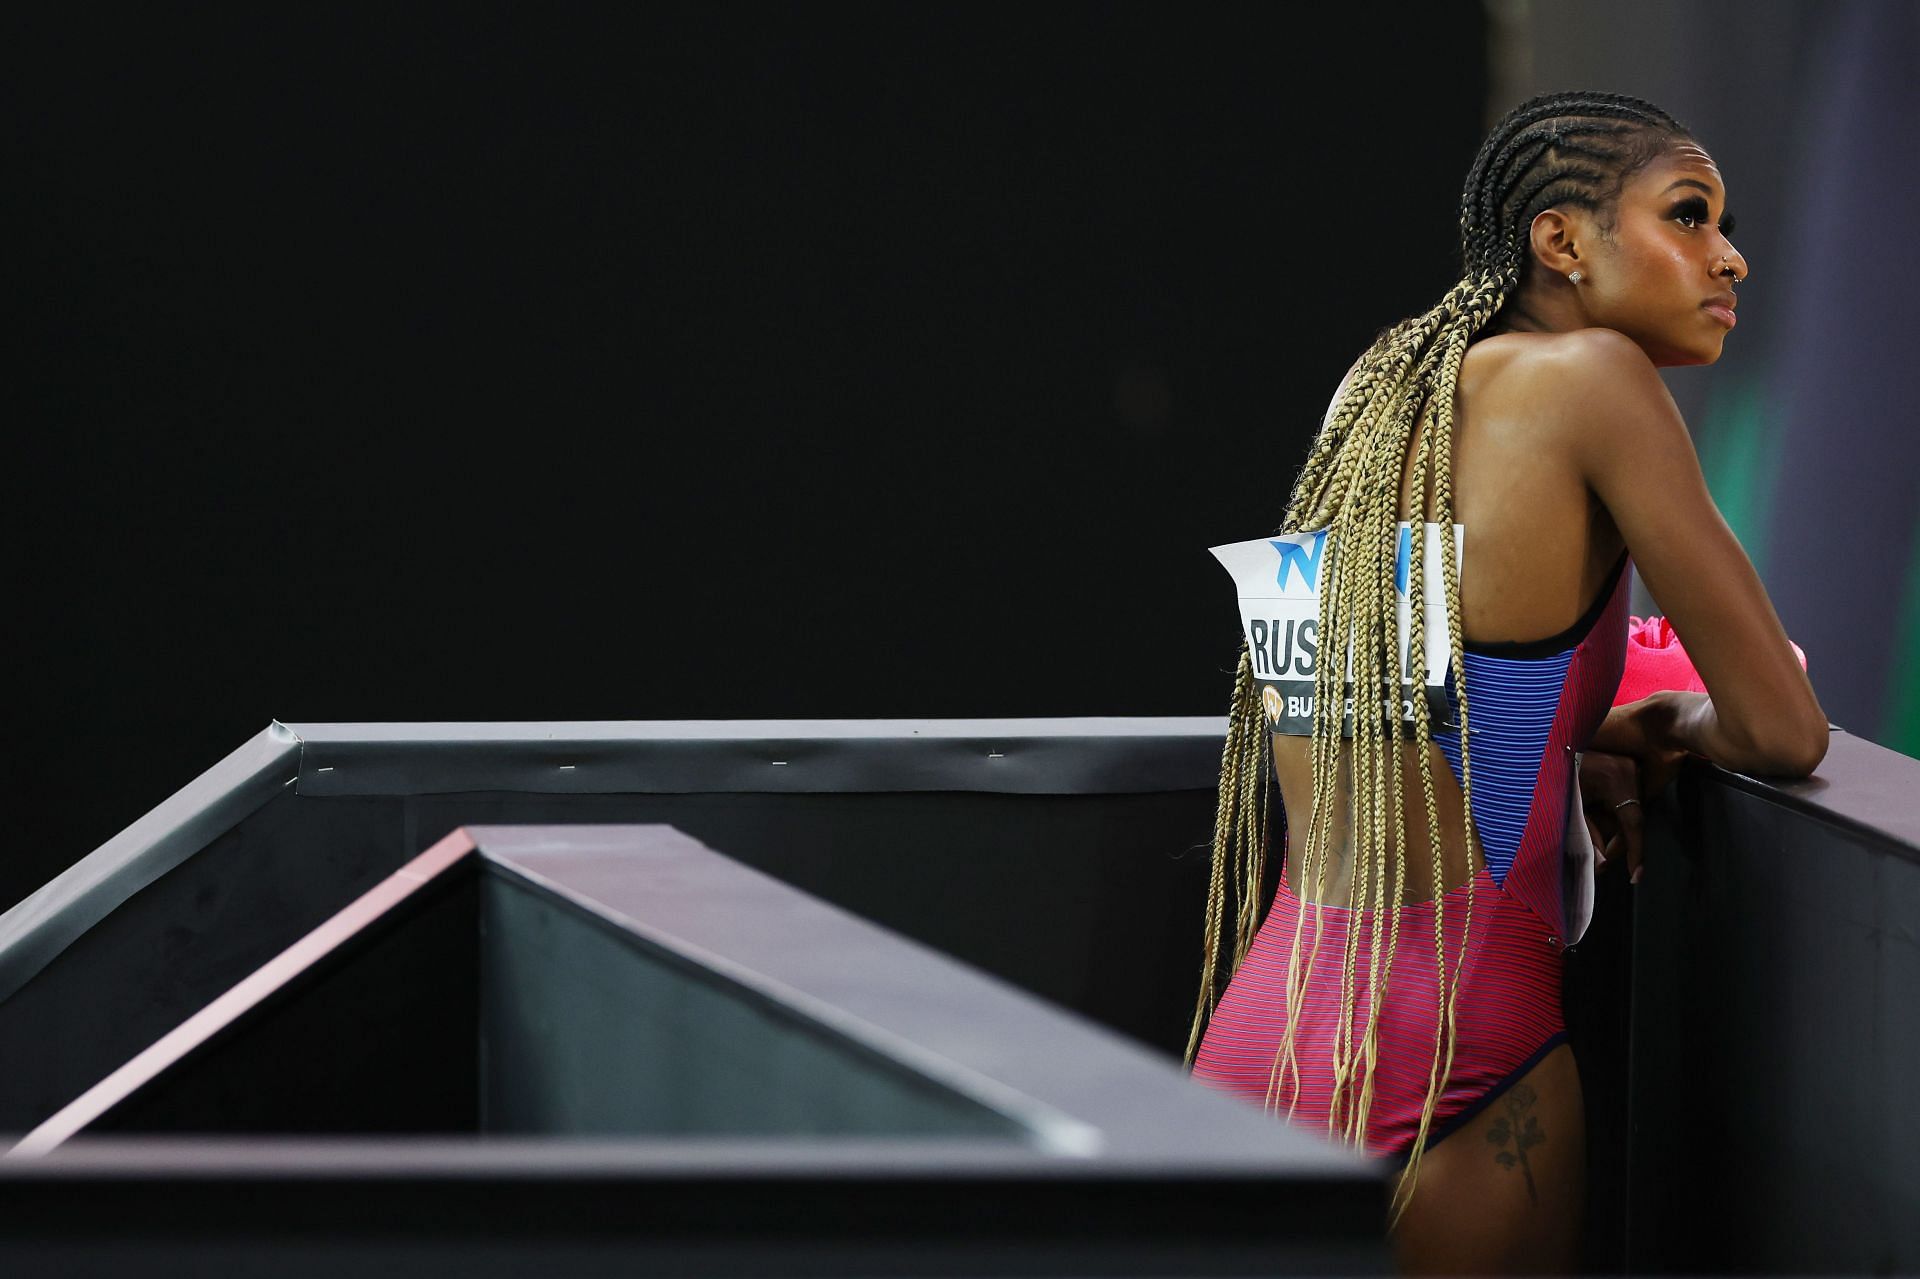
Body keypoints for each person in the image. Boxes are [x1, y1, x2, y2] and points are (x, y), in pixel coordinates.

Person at [1184, 90, 1827, 1275]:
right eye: (1691, 213)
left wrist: (1583, 729)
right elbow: (1784, 730)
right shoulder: (1597, 383)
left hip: (1254, 1048)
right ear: (1562, 241)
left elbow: (1410, 702)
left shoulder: (1381, 393)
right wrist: (1671, 718)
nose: (1730, 254)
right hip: (1460, 1060)